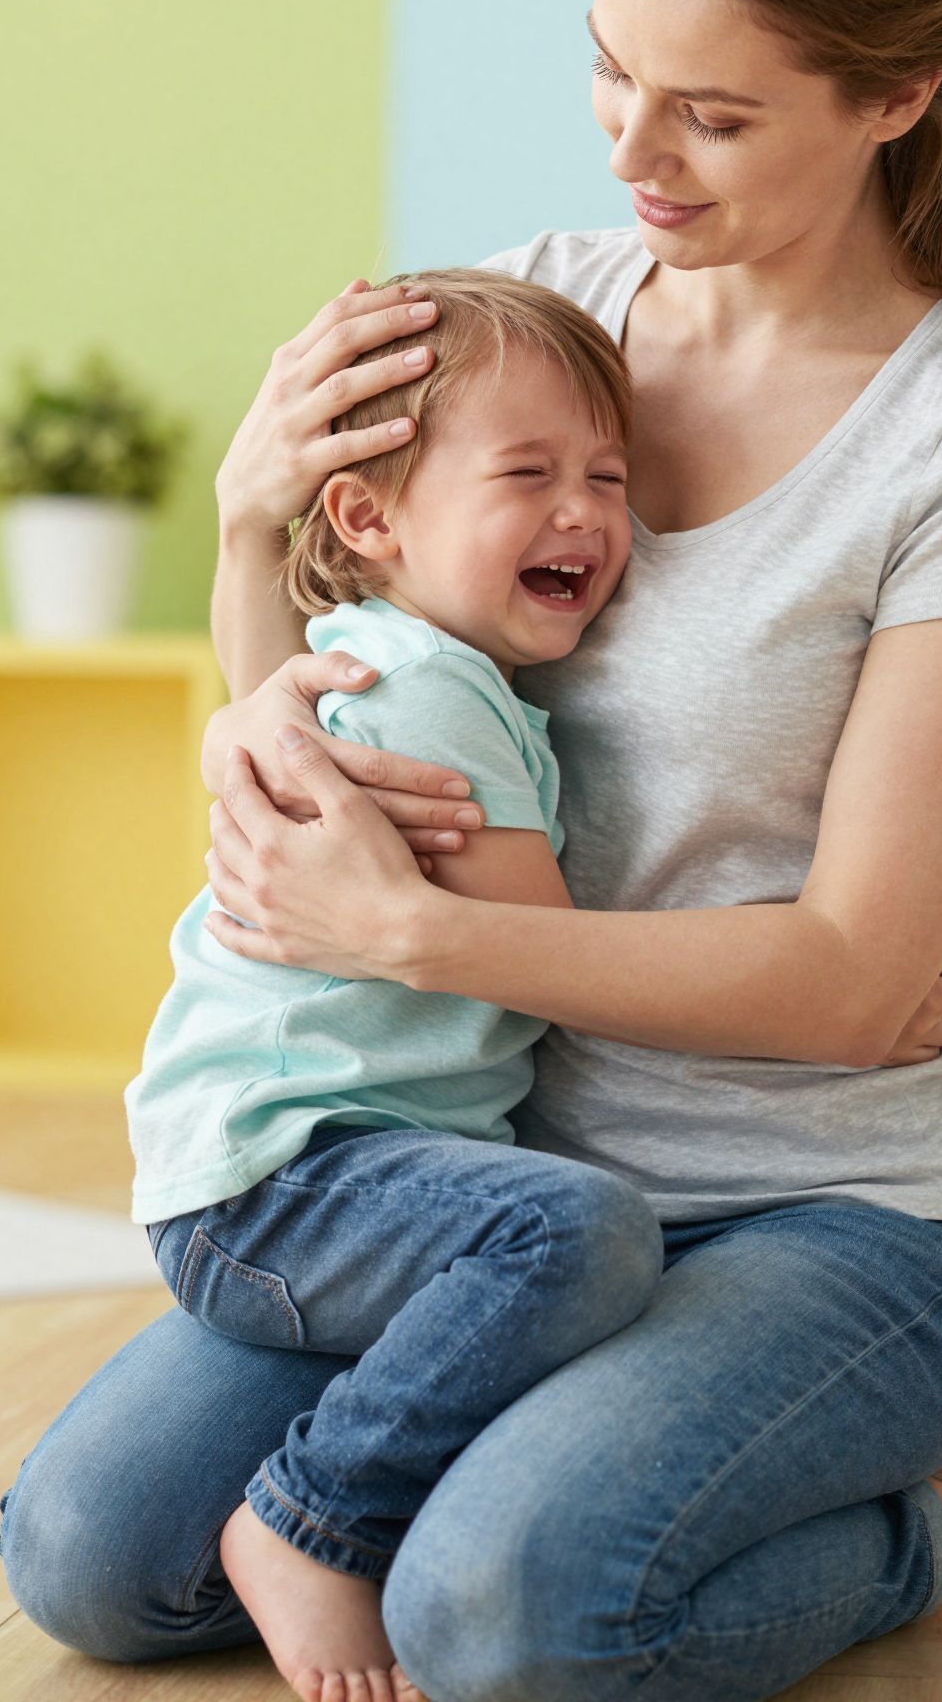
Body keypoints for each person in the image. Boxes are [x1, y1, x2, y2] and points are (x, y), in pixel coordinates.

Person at [0, 0, 942, 1702]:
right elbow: (311, 706)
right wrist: (250, 529)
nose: (635, 147)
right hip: (482, 1183)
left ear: (894, 95)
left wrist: (409, 932)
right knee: (91, 1563)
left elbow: (854, 987)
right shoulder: (534, 305)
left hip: (836, 1214)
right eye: (612, 65)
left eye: (711, 111)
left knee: (496, 1616)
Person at [126, 268, 669, 1702]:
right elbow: (558, 960)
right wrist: (814, 979)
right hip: (293, 1182)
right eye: (529, 476)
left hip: (266, 1174)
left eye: (609, 477)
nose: (586, 515)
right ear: (368, 518)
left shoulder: (384, 662)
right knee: (582, 1239)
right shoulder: (432, 699)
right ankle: (315, 1521)